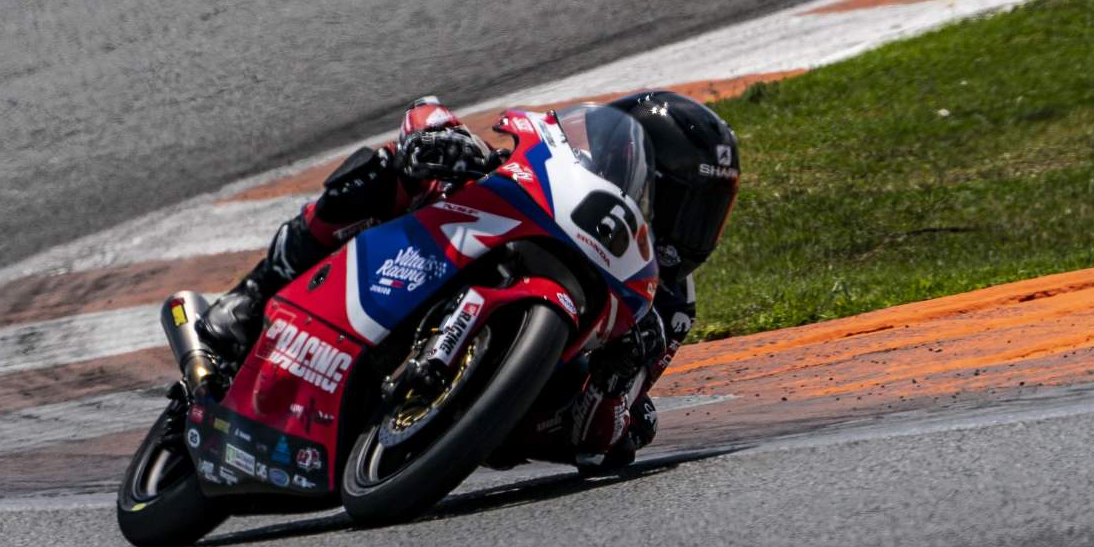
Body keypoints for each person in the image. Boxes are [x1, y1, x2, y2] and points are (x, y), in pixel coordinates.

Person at [201, 90, 741, 471]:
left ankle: (447, 411)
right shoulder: (563, 165)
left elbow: (594, 437)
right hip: (433, 253)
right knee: (388, 171)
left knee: (632, 436)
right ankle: (253, 294)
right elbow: (427, 112)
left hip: (517, 408)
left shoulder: (670, 308)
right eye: (683, 207)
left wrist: (619, 383)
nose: (691, 232)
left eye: (707, 215)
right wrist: (438, 142)